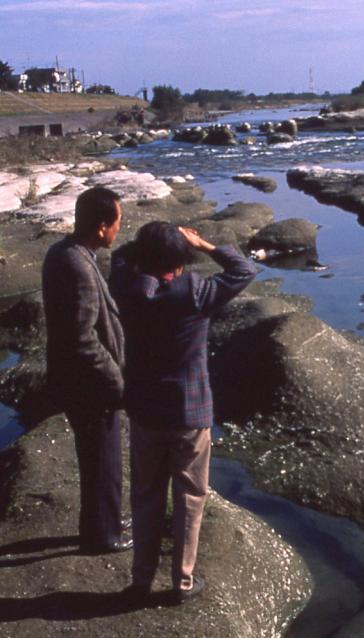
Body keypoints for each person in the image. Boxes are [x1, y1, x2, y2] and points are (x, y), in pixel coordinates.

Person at [110, 221, 255, 603]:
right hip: (190, 412)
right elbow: (244, 270)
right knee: (190, 497)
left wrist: (147, 247)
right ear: (180, 258)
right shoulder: (196, 291)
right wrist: (203, 244)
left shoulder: (127, 289)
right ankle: (182, 582)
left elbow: (121, 256)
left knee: (146, 495)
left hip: (145, 410)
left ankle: (141, 581)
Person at [41, 185, 131, 554]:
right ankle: (101, 536)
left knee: (103, 457)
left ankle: (108, 520)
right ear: (100, 226)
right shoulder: (77, 265)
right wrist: (117, 379)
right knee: (101, 459)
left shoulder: (67, 252)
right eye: (117, 223)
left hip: (77, 380)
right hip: (88, 384)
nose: (118, 230)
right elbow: (81, 339)